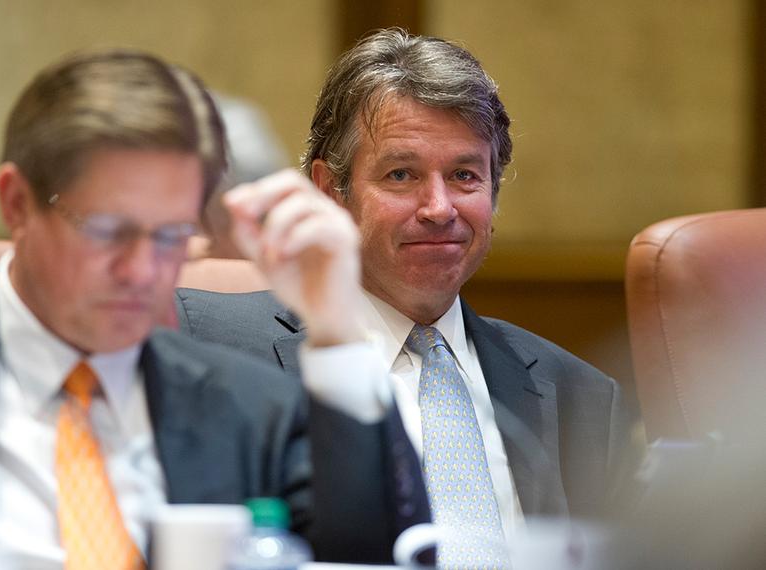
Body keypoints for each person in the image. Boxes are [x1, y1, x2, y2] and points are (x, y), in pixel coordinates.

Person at [0, 49, 425, 568]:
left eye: (170, 235)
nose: (142, 271)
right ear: (17, 204)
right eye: (107, 231)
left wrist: (337, 330)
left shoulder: (248, 409)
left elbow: (378, 555)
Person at [177, 28, 633, 564]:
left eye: (465, 175)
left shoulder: (579, 396)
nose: (439, 207)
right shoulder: (211, 350)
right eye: (401, 174)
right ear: (329, 192)